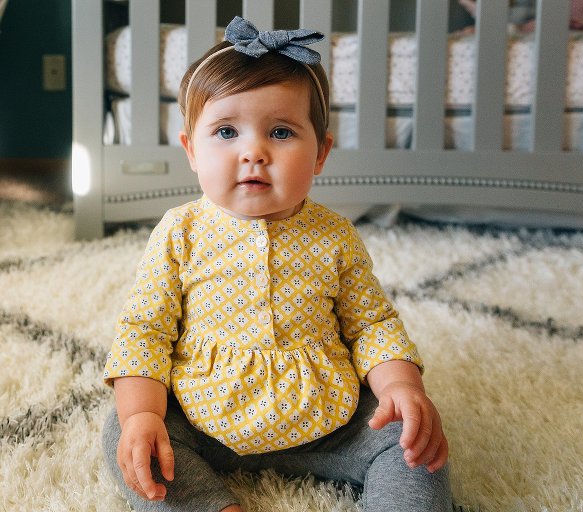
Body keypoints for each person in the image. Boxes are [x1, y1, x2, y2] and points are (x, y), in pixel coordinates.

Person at [102, 16, 451, 512]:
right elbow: (144, 331)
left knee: (415, 441)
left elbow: (371, 323)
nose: (253, 153)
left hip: (330, 420)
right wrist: (142, 416)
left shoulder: (334, 235)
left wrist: (401, 387)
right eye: (226, 131)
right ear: (191, 150)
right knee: (128, 434)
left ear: (320, 153)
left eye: (281, 132)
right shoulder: (179, 232)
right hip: (206, 416)